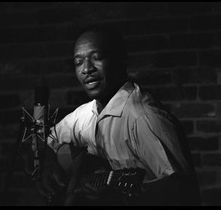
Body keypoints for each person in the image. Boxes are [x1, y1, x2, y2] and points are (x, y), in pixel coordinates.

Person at [35, 25, 201, 206]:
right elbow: (43, 141)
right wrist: (48, 165)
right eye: (78, 62)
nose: (86, 68)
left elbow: (183, 189)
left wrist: (121, 200)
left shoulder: (142, 118)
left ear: (120, 60)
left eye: (97, 58)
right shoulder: (86, 115)